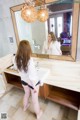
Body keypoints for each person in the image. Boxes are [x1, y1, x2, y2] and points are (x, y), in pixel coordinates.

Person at [13, 40, 43, 119]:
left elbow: (16, 68)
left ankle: (25, 107)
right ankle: (38, 113)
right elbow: (32, 76)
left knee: (26, 94)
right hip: (32, 84)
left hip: (23, 81)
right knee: (35, 100)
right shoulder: (29, 60)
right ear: (28, 49)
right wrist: (34, 87)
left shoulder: (16, 58)